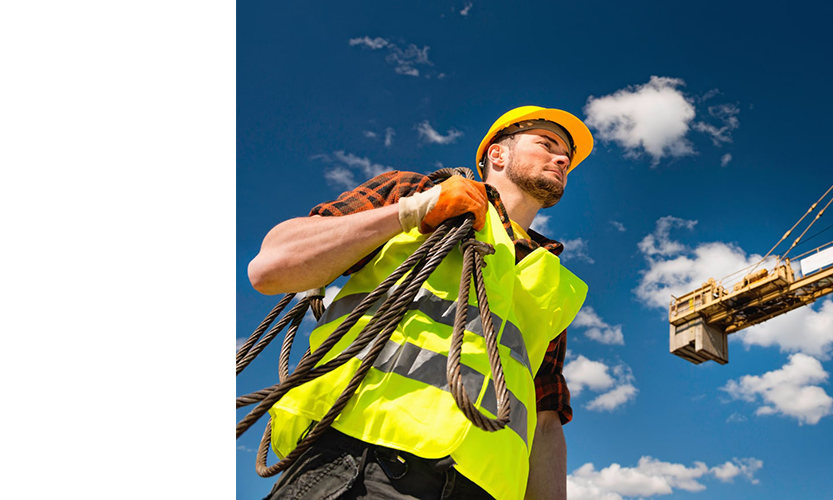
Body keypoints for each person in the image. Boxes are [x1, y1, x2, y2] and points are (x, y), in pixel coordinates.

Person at [247, 106, 594, 500]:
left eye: (566, 155)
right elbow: (272, 267)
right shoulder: (417, 193)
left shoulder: (550, 279)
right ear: (497, 154)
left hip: (482, 489)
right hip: (358, 462)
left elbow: (545, 424)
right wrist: (414, 211)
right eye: (547, 144)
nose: (563, 159)